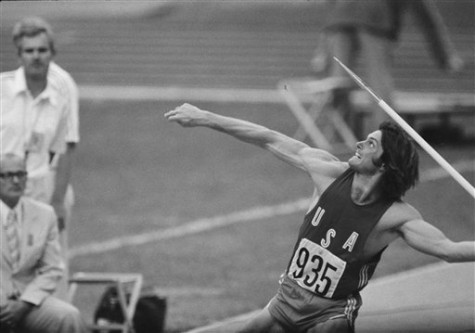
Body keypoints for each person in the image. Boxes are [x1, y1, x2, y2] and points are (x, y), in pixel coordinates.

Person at [165, 103, 475, 333]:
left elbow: (449, 250)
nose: (358, 144)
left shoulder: (396, 217)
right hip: (282, 304)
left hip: (329, 317)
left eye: (370, 144)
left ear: (384, 164)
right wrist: (206, 118)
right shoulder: (328, 172)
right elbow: (267, 137)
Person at [1, 16, 80, 298]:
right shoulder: (3, 89)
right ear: (19, 54)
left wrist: (57, 201)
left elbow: (68, 144)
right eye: (29, 50)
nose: (36, 56)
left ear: (52, 52)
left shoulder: (62, 89)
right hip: (4, 187)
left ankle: (53, 320)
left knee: (51, 261)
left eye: (42, 50)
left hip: (42, 185)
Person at [311, 0, 464, 136]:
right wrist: (445, 57)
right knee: (378, 78)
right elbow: (426, 16)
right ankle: (383, 135)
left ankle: (342, 134)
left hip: (340, 16)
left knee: (339, 79)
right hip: (374, 16)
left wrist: (322, 51)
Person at [0, 154, 88, 333]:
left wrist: (25, 303)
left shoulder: (44, 215)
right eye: (8, 175)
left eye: (20, 174)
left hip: (28, 302)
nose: (15, 180)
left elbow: (52, 268)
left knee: (68, 316)